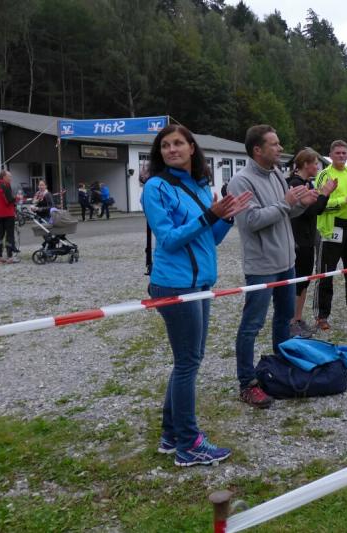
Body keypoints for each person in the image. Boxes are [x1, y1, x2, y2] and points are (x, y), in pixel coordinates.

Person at [141, 124, 251, 467]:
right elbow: (169, 239)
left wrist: (225, 219)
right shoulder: (156, 187)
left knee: (187, 361)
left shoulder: (201, 186)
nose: (171, 150)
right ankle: (189, 444)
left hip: (199, 283)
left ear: (192, 148)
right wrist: (209, 215)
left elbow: (208, 238)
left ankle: (171, 435)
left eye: (178, 143)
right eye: (165, 145)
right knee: (188, 363)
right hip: (175, 285)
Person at [228, 125, 320, 409]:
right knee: (252, 325)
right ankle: (247, 383)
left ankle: (280, 369)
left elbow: (285, 213)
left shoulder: (277, 174)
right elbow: (251, 221)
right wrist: (285, 203)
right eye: (275, 144)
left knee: (284, 319)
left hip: (286, 262)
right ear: (258, 149)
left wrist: (302, 204)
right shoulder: (240, 181)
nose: (280, 149)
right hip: (262, 266)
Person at [312, 140, 347, 331]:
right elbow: (320, 204)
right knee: (326, 274)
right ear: (331, 155)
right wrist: (345, 200)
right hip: (331, 229)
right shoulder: (324, 174)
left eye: (344, 153)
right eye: (338, 153)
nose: (342, 156)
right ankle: (321, 316)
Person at [287, 148, 336, 337]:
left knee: (304, 281)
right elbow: (310, 211)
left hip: (307, 239)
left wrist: (324, 194)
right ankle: (291, 321)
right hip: (299, 240)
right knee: (298, 282)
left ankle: (298, 318)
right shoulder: (296, 184)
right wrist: (324, 193)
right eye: (315, 163)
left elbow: (317, 209)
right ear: (305, 164)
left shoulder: (306, 183)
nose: (317, 167)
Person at [0, 170, 19, 263]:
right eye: (9, 176)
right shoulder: (5, 185)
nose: (11, 178)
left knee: (0, 234)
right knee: (9, 235)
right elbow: (9, 200)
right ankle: (10, 257)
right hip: (8, 214)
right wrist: (17, 198)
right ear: (4, 177)